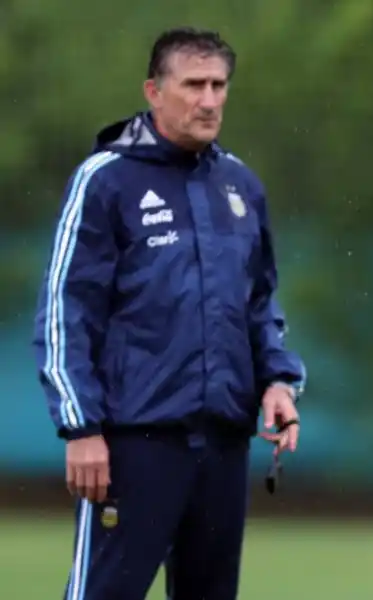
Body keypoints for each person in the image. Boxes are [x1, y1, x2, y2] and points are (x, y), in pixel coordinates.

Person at [32, 27, 305, 600]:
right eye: (193, 85)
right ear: (154, 91)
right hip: (135, 444)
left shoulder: (240, 185)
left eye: (219, 85)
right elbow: (66, 310)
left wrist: (278, 380)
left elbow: (258, 302)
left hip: (224, 443)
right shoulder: (105, 180)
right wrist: (81, 427)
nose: (209, 100)